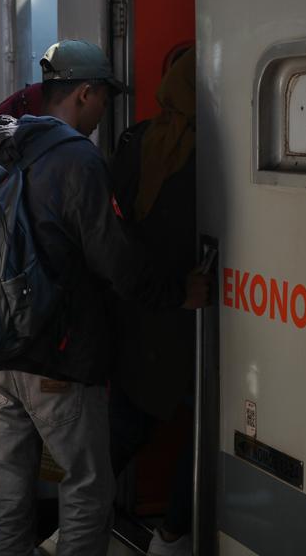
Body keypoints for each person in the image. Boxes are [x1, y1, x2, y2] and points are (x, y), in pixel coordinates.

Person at [0, 40, 210, 556]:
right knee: (87, 491)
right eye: (105, 97)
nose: (108, 110)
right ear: (84, 93)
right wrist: (177, 292)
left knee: (9, 497)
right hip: (56, 359)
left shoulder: (8, 145)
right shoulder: (79, 159)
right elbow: (116, 262)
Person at [109, 48, 197, 556]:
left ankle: (66, 509)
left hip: (137, 311)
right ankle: (172, 532)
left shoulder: (136, 140)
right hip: (186, 310)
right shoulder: (207, 149)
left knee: (127, 422)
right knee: (200, 427)